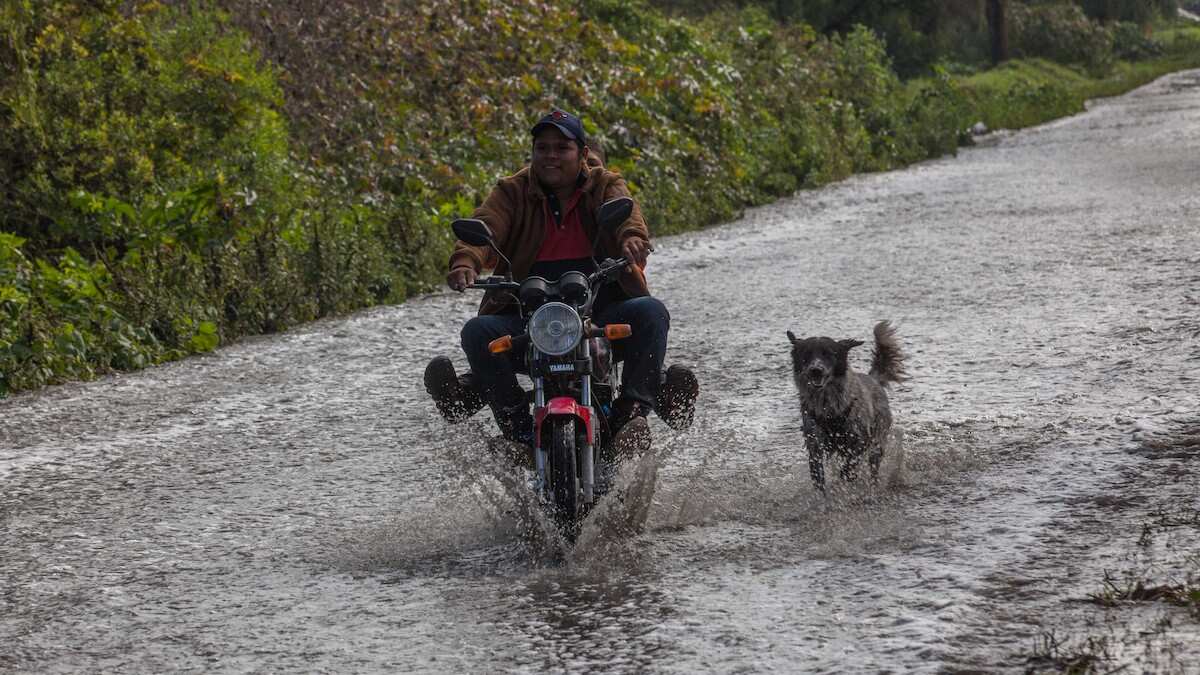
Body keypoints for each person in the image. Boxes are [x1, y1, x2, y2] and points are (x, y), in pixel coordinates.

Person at [424, 108, 698, 458]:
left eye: (561, 147)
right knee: (477, 332)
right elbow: (486, 226)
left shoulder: (605, 184)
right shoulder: (511, 191)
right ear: (533, 152)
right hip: (529, 313)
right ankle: (518, 433)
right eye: (543, 147)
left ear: (583, 155)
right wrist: (466, 261)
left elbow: (626, 213)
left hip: (598, 310)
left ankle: (631, 415)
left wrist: (631, 237)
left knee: (651, 312)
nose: (551, 155)